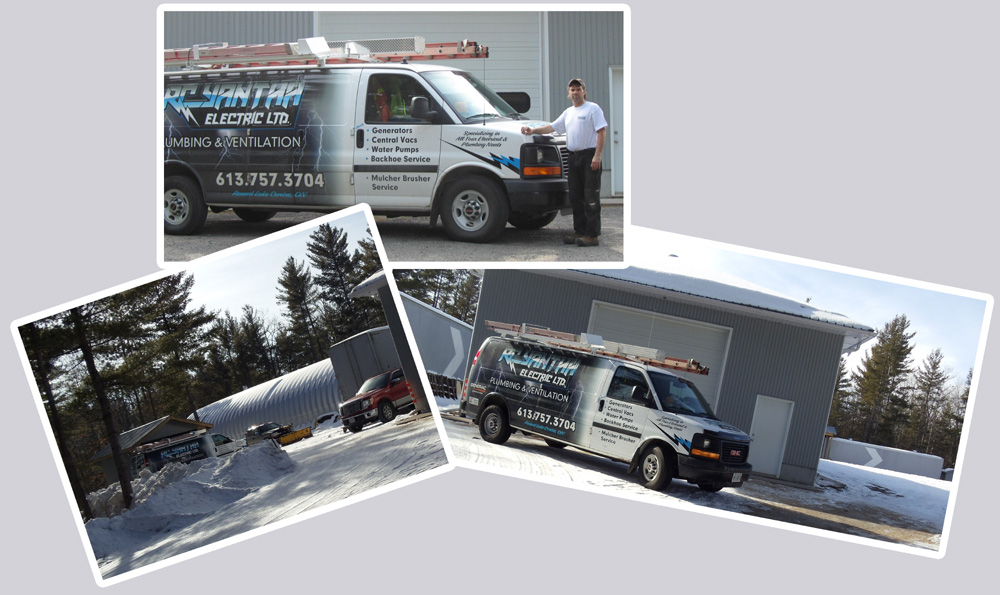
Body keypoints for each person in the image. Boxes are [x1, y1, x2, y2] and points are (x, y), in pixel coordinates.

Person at [521, 78, 608, 246]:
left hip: (589, 157)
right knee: (576, 197)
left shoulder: (593, 109)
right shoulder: (568, 112)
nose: (575, 92)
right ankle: (580, 232)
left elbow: (602, 132)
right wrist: (532, 130)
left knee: (590, 197)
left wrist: (597, 156)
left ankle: (592, 235)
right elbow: (552, 127)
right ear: (569, 94)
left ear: (584, 91)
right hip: (573, 157)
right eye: (572, 90)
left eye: (578, 89)